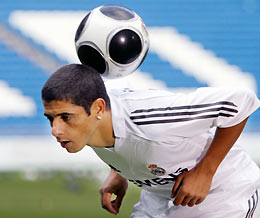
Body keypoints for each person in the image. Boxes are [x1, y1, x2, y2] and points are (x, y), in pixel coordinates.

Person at [42, 63, 260, 218]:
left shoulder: (151, 119)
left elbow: (240, 101)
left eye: (65, 117)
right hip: (160, 200)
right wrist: (118, 173)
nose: (55, 130)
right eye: (51, 118)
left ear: (98, 107)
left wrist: (205, 172)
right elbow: (126, 139)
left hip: (225, 192)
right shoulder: (88, 126)